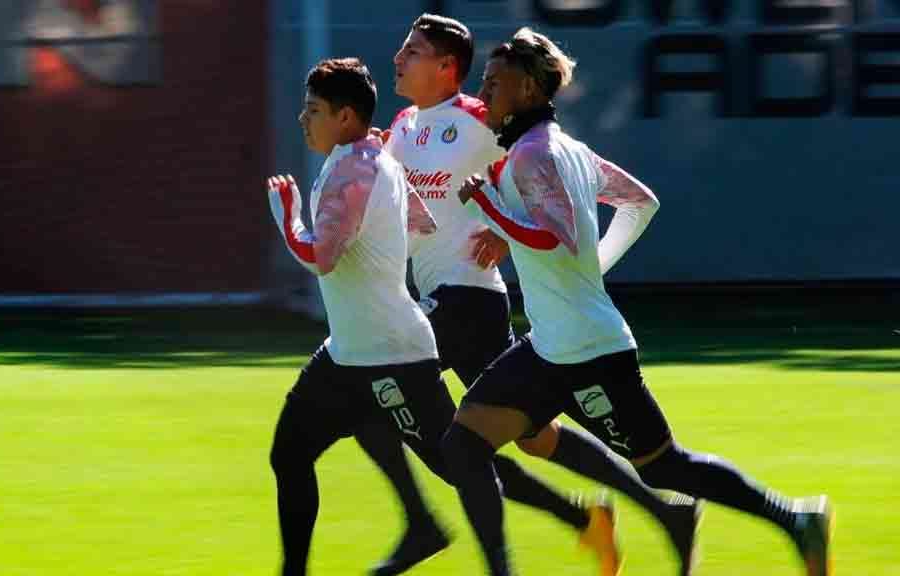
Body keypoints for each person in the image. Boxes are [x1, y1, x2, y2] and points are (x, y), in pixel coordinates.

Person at [441, 27, 835, 576]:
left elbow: (557, 240)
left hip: (588, 353)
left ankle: (795, 519)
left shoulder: (536, 156)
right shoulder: (561, 148)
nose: (484, 92)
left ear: (529, 89)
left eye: (495, 82)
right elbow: (638, 204)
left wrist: (490, 208)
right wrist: (586, 271)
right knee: (461, 446)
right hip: (551, 347)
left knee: (663, 466)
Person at [356, 14, 699, 576]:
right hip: (450, 301)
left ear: (446, 68)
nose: (397, 58)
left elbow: (527, 169)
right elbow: (406, 203)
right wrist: (374, 156)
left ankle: (426, 526)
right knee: (533, 436)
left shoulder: (477, 119)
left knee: (382, 392)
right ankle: (638, 513)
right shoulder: (401, 125)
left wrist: (501, 226)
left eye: (411, 51)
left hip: (466, 296)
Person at [266, 56, 451, 576]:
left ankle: (576, 514)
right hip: (350, 352)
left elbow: (319, 256)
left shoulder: (355, 167)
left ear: (345, 117)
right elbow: (421, 223)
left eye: (314, 110)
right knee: (293, 452)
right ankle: (419, 529)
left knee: (463, 466)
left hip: (391, 353)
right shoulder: (370, 156)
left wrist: (288, 215)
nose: (304, 119)